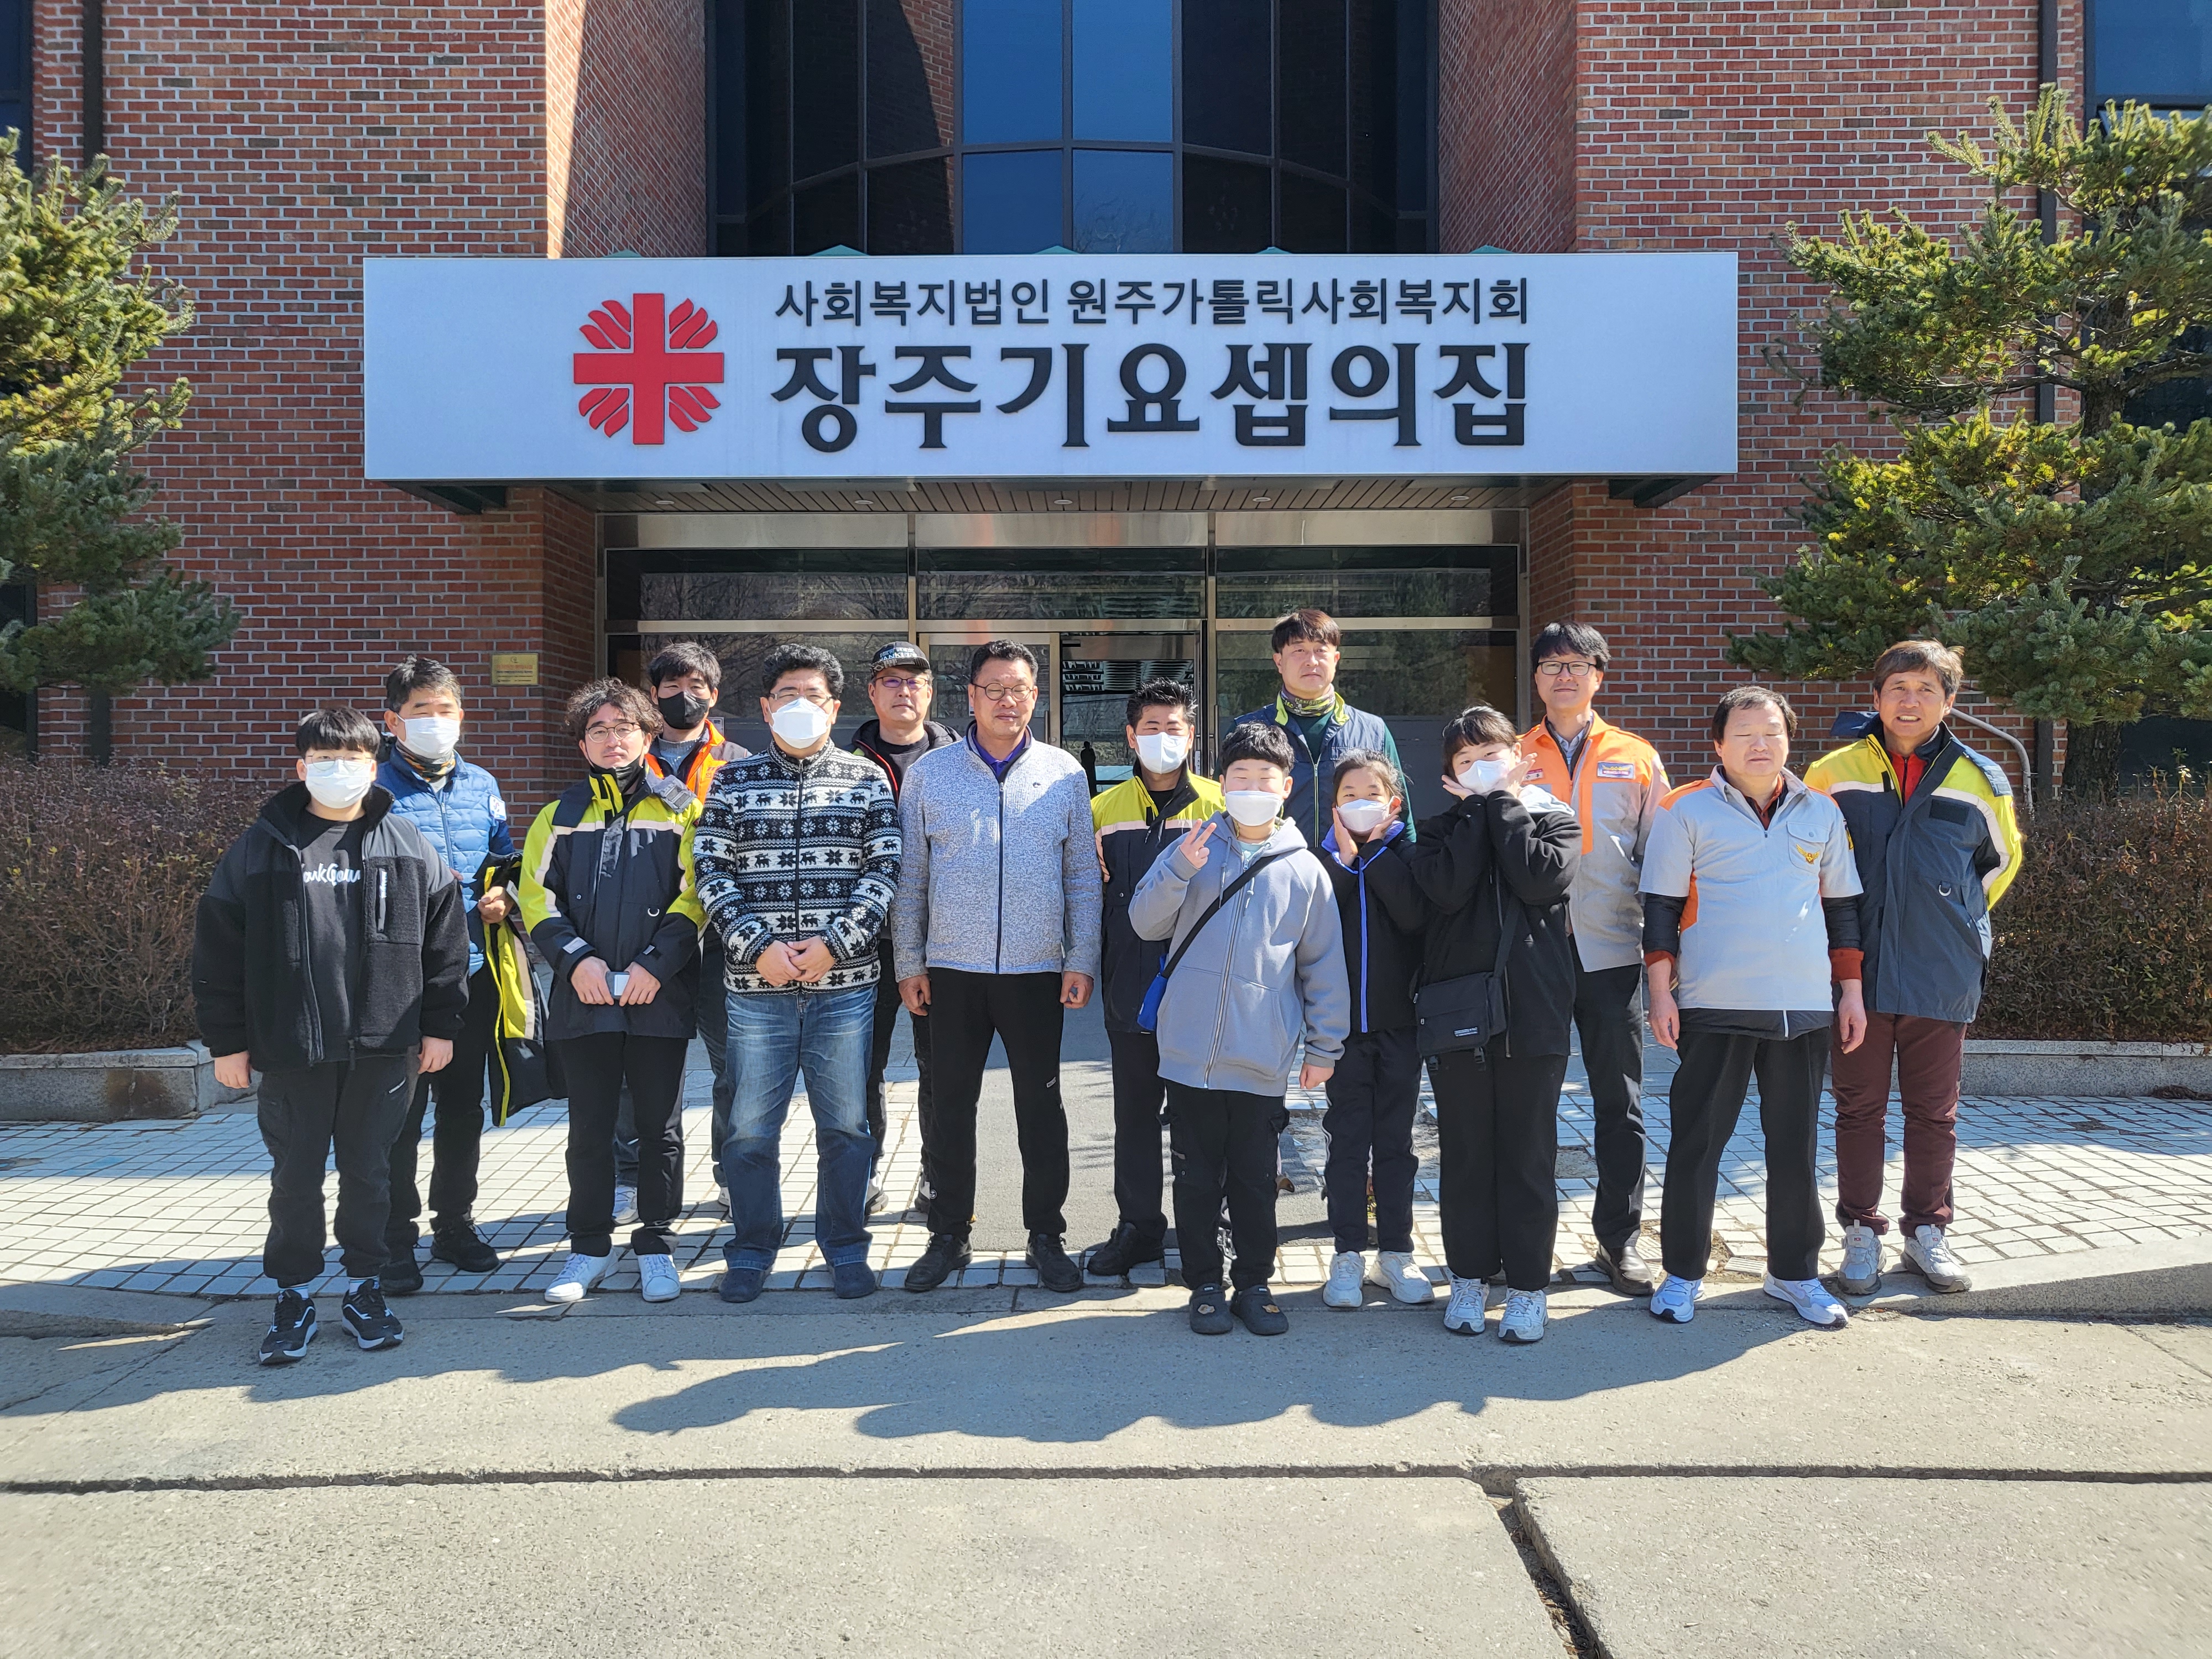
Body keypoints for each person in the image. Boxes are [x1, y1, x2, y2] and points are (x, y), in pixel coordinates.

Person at [192, 706, 468, 1366]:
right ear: (301, 767)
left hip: (385, 1046)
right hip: (294, 1048)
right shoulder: (262, 846)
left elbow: (446, 941)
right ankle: (293, 1293)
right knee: (295, 1178)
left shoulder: (405, 841)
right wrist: (227, 1043)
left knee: (371, 1175)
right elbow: (218, 950)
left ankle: (365, 1287)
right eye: (323, 760)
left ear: (373, 768)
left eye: (351, 760)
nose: (337, 770)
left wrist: (440, 1027)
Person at [1641, 686, 1867, 1330]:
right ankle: (1682, 1273)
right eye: (1743, 734)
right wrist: (1660, 990)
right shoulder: (1684, 809)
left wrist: (1850, 991)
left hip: (1803, 1006)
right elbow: (1659, 907)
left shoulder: (1820, 811)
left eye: (1771, 732)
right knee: (1697, 1144)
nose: (1759, 745)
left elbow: (1841, 908)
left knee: (1795, 1148)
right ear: (1718, 744)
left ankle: (1793, 1273)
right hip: (1714, 1005)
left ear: (1789, 740)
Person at [1807, 640, 2024, 1297]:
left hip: (1940, 969)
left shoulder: (1980, 778)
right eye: (1898, 687)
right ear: (1875, 697)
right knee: (1858, 1109)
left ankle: (1927, 1230)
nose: (1910, 701)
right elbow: (1807, 860)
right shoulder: (1831, 773)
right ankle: (1860, 1230)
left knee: (1934, 1113)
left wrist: (1950, 919)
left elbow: (2000, 862)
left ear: (1948, 702)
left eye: (1926, 689)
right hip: (1856, 971)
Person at [890, 640, 1102, 1295]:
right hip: (951, 970)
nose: (1008, 701)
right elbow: (911, 876)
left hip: (1037, 971)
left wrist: (1080, 957)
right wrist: (908, 961)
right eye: (994, 689)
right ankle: (949, 1234)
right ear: (972, 696)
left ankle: (1047, 1235)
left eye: (1019, 689)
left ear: (1035, 695)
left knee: (1041, 1107)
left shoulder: (1064, 773)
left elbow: (1081, 875)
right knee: (950, 1106)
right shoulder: (931, 774)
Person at [694, 645, 900, 1304]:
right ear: (765, 707)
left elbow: (884, 870)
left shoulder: (866, 780)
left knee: (846, 1127)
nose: (800, 706)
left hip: (845, 988)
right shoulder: (733, 780)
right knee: (750, 1129)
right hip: (757, 990)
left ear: (835, 708)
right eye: (787, 694)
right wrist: (757, 947)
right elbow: (710, 870)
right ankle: (752, 1248)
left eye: (813, 695)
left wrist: (835, 944)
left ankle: (845, 1245)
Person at [1130, 720, 1348, 1337]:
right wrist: (1179, 870)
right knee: (1196, 1177)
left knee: (1255, 1180)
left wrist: (1325, 1046)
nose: (1252, 788)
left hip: (1260, 1054)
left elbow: (1323, 966)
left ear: (1286, 788)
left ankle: (1254, 1282)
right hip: (1189, 1052)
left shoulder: (1304, 870)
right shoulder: (1192, 845)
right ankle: (1204, 1282)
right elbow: (1144, 922)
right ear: (1222, 784)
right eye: (1240, 777)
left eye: (1265, 778)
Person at [521, 680, 706, 1307]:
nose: (612, 739)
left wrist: (657, 965)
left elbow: (695, 895)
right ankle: (589, 1247)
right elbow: (536, 899)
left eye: (624, 728)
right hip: (585, 996)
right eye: (598, 730)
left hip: (660, 995)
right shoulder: (558, 815)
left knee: (660, 1129)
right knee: (590, 1129)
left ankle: (656, 1245)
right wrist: (576, 961)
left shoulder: (681, 809)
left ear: (648, 735)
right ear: (582, 744)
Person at [1402, 707, 1580, 1343]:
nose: (1479, 767)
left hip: (1535, 1012)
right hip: (1459, 1017)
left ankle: (1529, 1288)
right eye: (1465, 760)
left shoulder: (1555, 820)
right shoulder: (1436, 832)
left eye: (1491, 756)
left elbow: (1538, 880)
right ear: (1449, 774)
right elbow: (1447, 891)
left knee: (1528, 1157)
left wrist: (1502, 803)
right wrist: (1476, 813)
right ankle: (1469, 1277)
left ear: (1518, 758)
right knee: (1466, 1155)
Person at [1516, 622, 1671, 1295]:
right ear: (1536, 679)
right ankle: (1525, 1242)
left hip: (1611, 950)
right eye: (1551, 665)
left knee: (1620, 1102)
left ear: (1598, 677)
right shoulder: (1514, 755)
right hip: (1535, 954)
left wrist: (1662, 955)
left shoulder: (1635, 757)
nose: (1564, 676)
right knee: (1530, 1105)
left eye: (1576, 665)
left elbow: (1662, 860)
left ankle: (1620, 1239)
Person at [371, 656, 514, 1293]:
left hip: (470, 971)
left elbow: (504, 861)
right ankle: (393, 1237)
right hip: (397, 979)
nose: (435, 721)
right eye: (420, 711)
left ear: (461, 716)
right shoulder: (372, 788)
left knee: (462, 1106)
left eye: (445, 710)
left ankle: (454, 1223)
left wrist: (503, 896)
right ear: (392, 720)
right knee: (400, 1113)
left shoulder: (483, 784)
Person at [1083, 677, 1224, 1279]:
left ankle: (1207, 1233)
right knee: (1135, 1119)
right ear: (1130, 736)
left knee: (1202, 1119)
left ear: (1191, 736)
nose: (1162, 738)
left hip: (1202, 992)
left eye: (1173, 727)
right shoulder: (1102, 810)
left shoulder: (1220, 805)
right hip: (1130, 990)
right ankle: (1138, 1228)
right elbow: (1088, 899)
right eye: (1151, 728)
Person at [611, 641, 750, 1223]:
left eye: (696, 687)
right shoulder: (625, 759)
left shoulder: (738, 762)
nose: (683, 696)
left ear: (714, 696)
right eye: (671, 686)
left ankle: (733, 1176)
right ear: (653, 694)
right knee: (636, 1067)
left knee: (734, 1066)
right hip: (642, 935)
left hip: (719, 938)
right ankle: (629, 1177)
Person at [1314, 747, 1432, 1310]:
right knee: (1346, 1143)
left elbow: (1413, 916)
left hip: (1400, 1028)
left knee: (1395, 1145)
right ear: (1334, 806)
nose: (1360, 804)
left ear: (1394, 804)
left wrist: (1376, 853)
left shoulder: (1409, 854)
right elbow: (1312, 924)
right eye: (1349, 795)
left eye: (1371, 795)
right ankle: (1346, 1253)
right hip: (1340, 1033)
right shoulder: (1321, 860)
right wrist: (1343, 860)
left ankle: (1396, 1252)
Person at [848, 640, 957, 1214]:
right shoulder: (844, 762)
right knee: (859, 1070)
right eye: (890, 681)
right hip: (860, 946)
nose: (903, 691)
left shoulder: (959, 762)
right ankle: (861, 1176)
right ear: (872, 692)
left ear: (930, 692)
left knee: (939, 1070)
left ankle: (936, 1177)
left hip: (941, 946)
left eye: (914, 681)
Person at [1233, 607, 1408, 848]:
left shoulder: (1373, 730)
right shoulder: (1247, 730)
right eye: (1299, 650)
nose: (1312, 661)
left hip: (1356, 866)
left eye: (1321, 650)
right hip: (1272, 865)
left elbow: (1402, 817)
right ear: (1279, 662)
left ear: (1335, 659)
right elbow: (1224, 808)